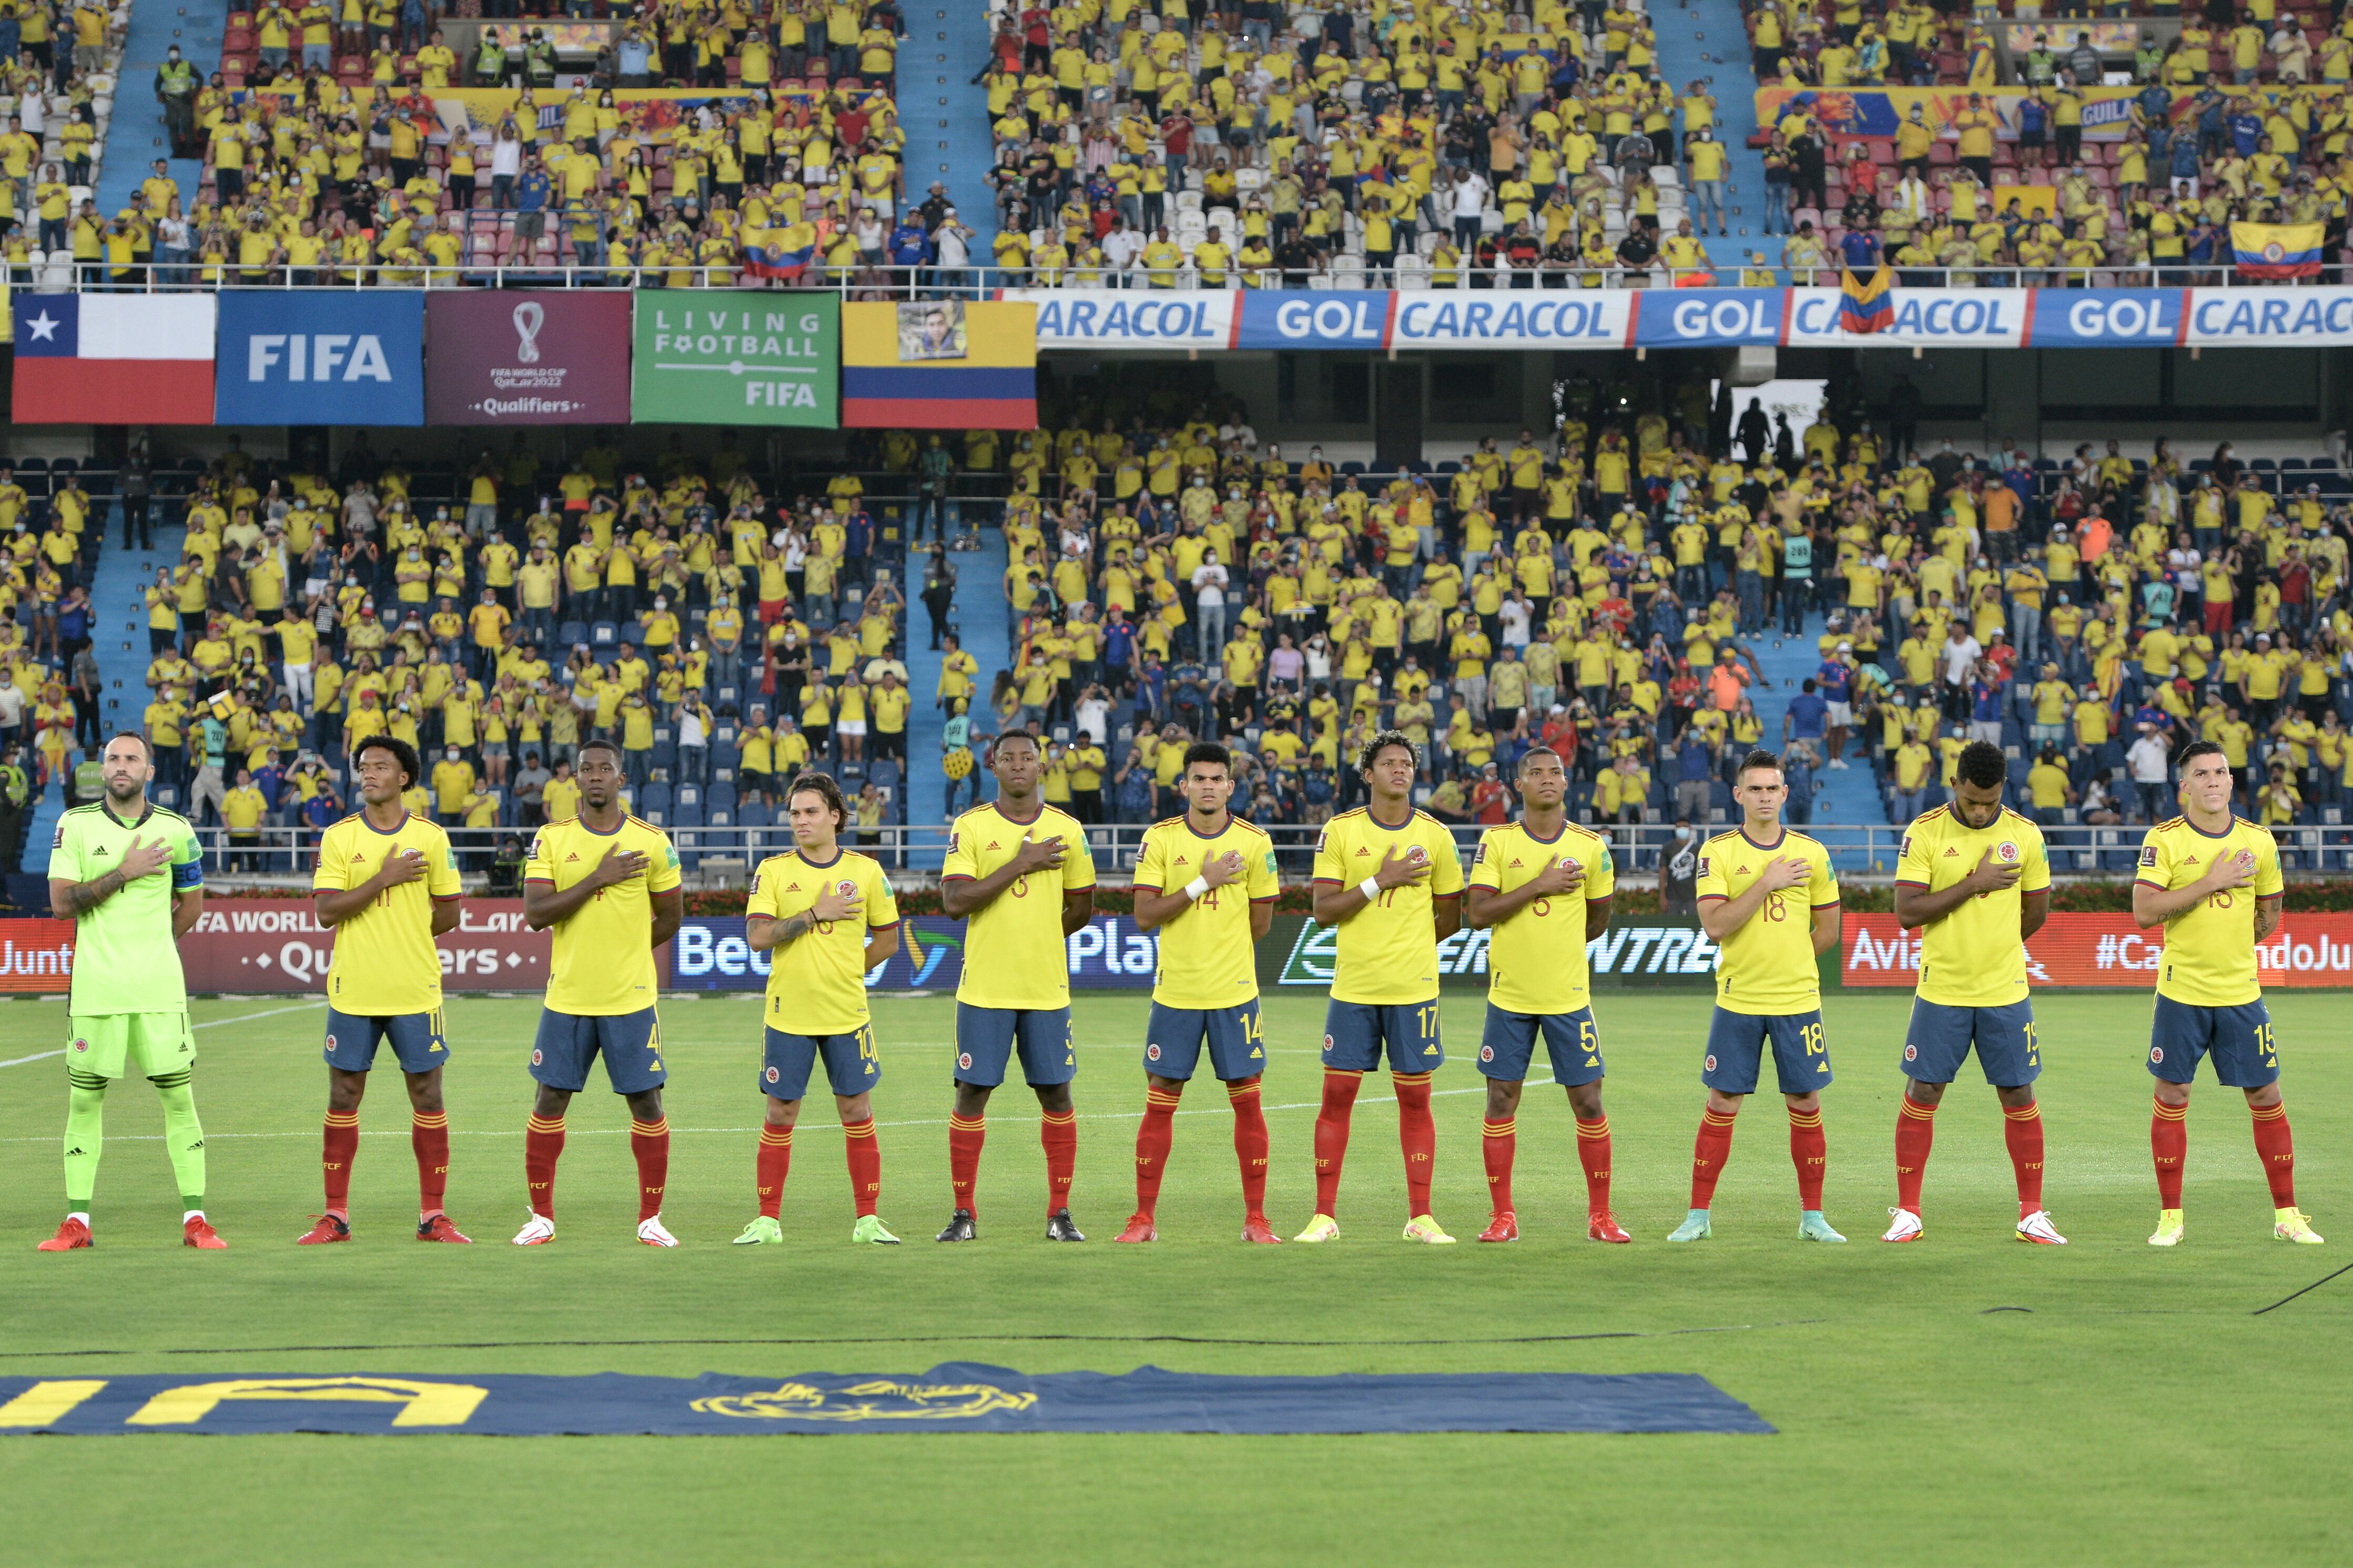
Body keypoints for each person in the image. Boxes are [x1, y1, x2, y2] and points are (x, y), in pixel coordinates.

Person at [39, 734, 223, 1251]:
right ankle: (77, 1222)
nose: (122, 767)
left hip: (159, 991)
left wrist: (151, 951)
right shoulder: (74, 824)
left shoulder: (178, 831)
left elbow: (191, 905)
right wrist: (125, 872)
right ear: (103, 768)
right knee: (84, 1103)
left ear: (149, 769)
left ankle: (196, 1220)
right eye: (114, 759)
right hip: (97, 990)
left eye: (132, 759)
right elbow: (61, 904)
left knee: (179, 1098)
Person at [2134, 740, 2319, 1246]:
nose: (2213, 781)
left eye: (2221, 772)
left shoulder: (2259, 842)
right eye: (2202, 774)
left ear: (2232, 781)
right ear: (2184, 786)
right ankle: (2170, 1218)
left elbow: (2271, 911)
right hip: (2181, 992)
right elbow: (2146, 912)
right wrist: (2211, 881)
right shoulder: (2165, 840)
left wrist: (2238, 943)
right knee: (2173, 1095)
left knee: (2266, 1094)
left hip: (2241, 992)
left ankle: (2288, 1215)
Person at [1884, 740, 2065, 1246]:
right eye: (1971, 801)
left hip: (2005, 990)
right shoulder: (1924, 832)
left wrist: (1996, 947)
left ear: (2003, 788)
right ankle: (1907, 1211)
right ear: (1954, 785)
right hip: (1941, 990)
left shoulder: (2026, 835)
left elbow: (2037, 912)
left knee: (2019, 1093)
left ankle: (2032, 1212)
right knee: (1924, 1091)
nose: (1981, 810)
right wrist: (1975, 882)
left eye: (1990, 801)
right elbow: (1907, 913)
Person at [298, 734, 470, 1245]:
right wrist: (385, 878)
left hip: (416, 990)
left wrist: (408, 931)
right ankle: (335, 1215)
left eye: (380, 766)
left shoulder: (433, 838)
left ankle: (433, 1216)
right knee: (344, 1095)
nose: (368, 773)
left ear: (404, 778)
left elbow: (450, 912)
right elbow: (326, 912)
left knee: (428, 1094)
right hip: (354, 989)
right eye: (363, 766)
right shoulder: (338, 837)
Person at [1670, 750, 1846, 1244]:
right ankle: (1698, 1216)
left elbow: (1828, 930)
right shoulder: (1719, 852)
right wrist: (1767, 882)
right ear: (1739, 794)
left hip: (1797, 1002)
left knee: (1806, 1102)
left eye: (1773, 788)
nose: (1765, 797)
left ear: (1785, 794)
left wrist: (1789, 962)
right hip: (1738, 1001)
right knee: (1722, 1102)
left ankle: (1813, 1218)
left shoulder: (1812, 853)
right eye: (1756, 789)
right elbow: (1715, 926)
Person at [1298, 730, 1466, 1245]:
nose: (1400, 770)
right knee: (1337, 1096)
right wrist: (1380, 880)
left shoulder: (1437, 835)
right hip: (1354, 988)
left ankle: (1421, 1216)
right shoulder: (1341, 832)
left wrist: (1409, 945)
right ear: (1368, 775)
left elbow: (1451, 917)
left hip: (1414, 989)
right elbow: (1323, 911)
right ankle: (1323, 1215)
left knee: (1416, 1102)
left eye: (1407, 764)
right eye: (1388, 763)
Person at [514, 739, 685, 1248]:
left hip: (630, 999)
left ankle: (650, 1219)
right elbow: (536, 914)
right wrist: (599, 878)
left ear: (620, 779)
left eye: (604, 769)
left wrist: (629, 951)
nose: (594, 776)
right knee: (550, 1100)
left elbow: (672, 917)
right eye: (585, 769)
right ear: (577, 780)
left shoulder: (653, 842)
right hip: (566, 998)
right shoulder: (550, 839)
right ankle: (542, 1216)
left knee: (646, 1103)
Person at [1461, 746, 1627, 1245]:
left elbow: (1598, 919)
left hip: (1568, 997)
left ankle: (1601, 1217)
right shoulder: (1497, 841)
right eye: (1536, 773)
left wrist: (1558, 945)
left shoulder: (1592, 846)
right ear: (1520, 785)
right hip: (1510, 996)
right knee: (1500, 1100)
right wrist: (1540, 885)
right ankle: (1502, 1217)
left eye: (1555, 772)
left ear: (1566, 781)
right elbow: (1479, 913)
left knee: (1590, 1103)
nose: (1547, 779)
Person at [935, 731, 1097, 1241]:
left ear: (1041, 765)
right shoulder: (972, 825)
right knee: (972, 1093)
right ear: (993, 765)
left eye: (1028, 757)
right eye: (1009, 758)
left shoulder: (1068, 830)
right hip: (984, 989)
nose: (1019, 765)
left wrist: (1042, 935)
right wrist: (1021, 863)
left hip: (1045, 989)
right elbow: (955, 901)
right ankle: (964, 1214)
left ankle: (1060, 1213)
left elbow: (1082, 908)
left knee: (1056, 1094)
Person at [1117, 742, 1282, 1244]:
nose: (1208, 786)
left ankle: (1256, 1219)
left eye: (1217, 779)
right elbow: (1145, 916)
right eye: (1199, 778)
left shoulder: (1256, 843)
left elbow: (1260, 923)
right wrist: (1201, 884)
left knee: (1248, 1104)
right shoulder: (1160, 840)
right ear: (1183, 785)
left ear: (1231, 786)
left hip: (1235, 995)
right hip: (1177, 995)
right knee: (1160, 1100)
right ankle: (1143, 1218)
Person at [734, 771, 906, 1246]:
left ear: (835, 816)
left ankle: (868, 1220)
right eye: (794, 813)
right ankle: (768, 1220)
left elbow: (889, 939)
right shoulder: (773, 870)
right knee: (781, 1112)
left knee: (856, 1109)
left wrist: (850, 969)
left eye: (811, 812)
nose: (801, 821)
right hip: (788, 1013)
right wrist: (815, 914)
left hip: (847, 1014)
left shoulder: (868, 871)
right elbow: (757, 938)